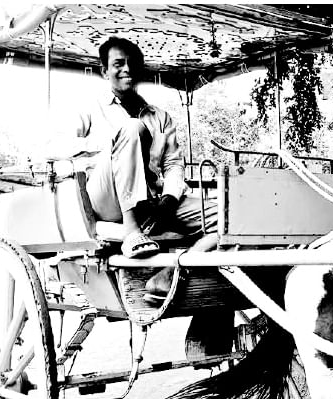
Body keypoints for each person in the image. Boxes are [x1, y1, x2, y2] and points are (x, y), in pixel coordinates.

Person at [45, 36, 217, 300]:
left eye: (133, 64)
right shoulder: (89, 108)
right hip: (106, 198)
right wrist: (111, 143)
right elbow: (52, 147)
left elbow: (173, 165)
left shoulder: (159, 117)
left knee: (229, 217)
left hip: (152, 201)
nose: (127, 69)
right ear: (104, 71)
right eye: (118, 64)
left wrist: (170, 199)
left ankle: (173, 272)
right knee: (132, 128)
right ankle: (132, 231)